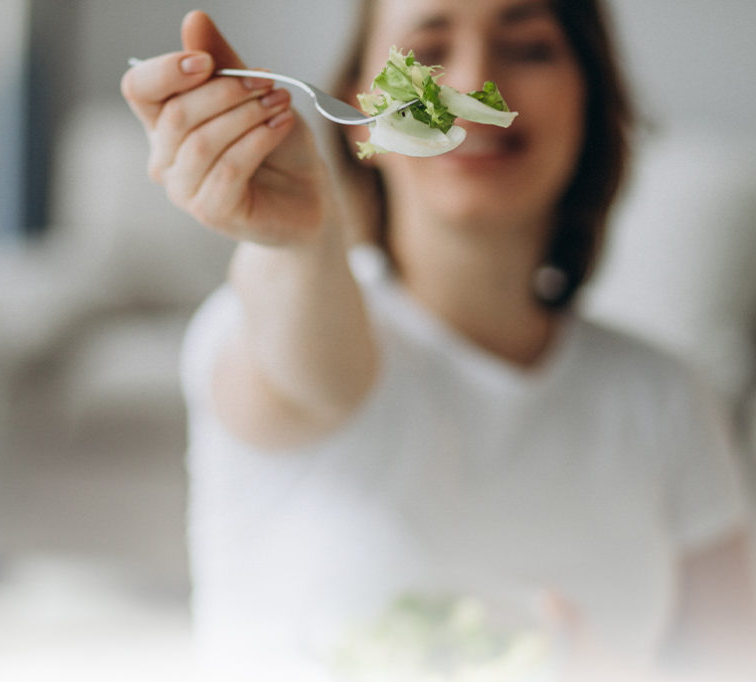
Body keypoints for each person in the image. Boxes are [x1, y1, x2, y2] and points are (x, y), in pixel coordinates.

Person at [121, 2, 756, 679]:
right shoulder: (269, 327)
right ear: (362, 101)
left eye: (530, 48)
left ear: (591, 99)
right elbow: (315, 369)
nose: (474, 78)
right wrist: (301, 244)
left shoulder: (666, 399)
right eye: (427, 47)